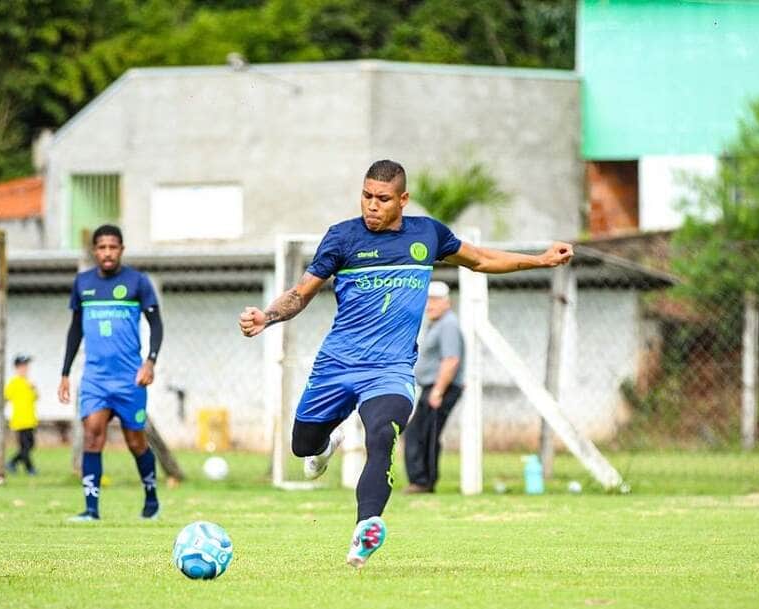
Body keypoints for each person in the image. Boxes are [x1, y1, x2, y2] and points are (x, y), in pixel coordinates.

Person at [238, 159, 572, 568]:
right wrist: (267, 317)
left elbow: (481, 259)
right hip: (336, 366)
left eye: (382, 199)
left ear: (403, 200)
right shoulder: (342, 238)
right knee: (302, 446)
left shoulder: (427, 234)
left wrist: (540, 260)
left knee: (382, 435)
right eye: (365, 196)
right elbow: (300, 293)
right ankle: (325, 447)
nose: (371, 206)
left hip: (390, 371)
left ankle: (366, 529)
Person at [58, 224, 164, 522]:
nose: (107, 252)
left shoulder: (138, 282)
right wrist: (65, 373)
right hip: (95, 379)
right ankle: (91, 510)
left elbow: (156, 325)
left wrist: (150, 361)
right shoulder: (82, 283)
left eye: (113, 247)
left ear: (121, 250)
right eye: (102, 247)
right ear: (95, 251)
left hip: (130, 379)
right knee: (92, 435)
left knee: (136, 443)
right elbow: (75, 329)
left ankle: (151, 499)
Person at [403, 281, 463, 494]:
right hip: (433, 386)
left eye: (435, 300)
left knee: (422, 434)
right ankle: (422, 480)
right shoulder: (436, 324)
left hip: (440, 387)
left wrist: (438, 390)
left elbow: (451, 359)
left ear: (447, 302)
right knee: (421, 433)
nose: (430, 305)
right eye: (427, 300)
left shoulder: (448, 325)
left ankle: (422, 481)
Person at [5, 354, 39, 476]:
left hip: (30, 419)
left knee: (31, 445)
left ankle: (12, 462)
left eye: (26, 366)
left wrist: (33, 388)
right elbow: (6, 397)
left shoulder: (28, 383)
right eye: (23, 366)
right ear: (17, 368)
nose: (26, 369)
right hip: (19, 420)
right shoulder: (13, 383)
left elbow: (35, 398)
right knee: (25, 446)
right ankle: (30, 468)